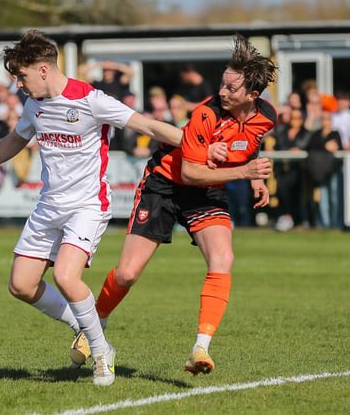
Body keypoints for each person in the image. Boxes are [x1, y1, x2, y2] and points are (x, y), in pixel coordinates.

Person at [0, 30, 182, 387]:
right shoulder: (33, 104)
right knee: (21, 285)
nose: (18, 85)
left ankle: (102, 354)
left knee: (65, 277)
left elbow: (146, 124)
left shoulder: (91, 99)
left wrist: (199, 145)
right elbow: (15, 140)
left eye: (21, 76)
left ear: (43, 70)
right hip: (49, 206)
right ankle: (83, 324)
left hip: (87, 205)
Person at [91, 34, 278, 376]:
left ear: (252, 95)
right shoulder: (205, 114)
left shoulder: (266, 115)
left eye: (231, 88)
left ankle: (200, 349)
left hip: (205, 194)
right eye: (222, 83)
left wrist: (255, 177)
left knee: (223, 258)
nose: (222, 92)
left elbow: (248, 143)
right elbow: (191, 173)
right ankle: (94, 324)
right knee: (128, 273)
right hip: (164, 185)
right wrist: (245, 172)